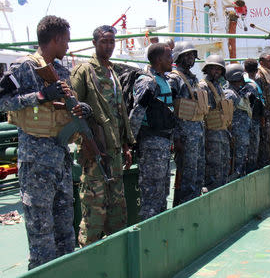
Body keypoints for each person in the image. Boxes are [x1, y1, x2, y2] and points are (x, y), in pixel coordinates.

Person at [0, 15, 78, 269]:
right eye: (66, 40)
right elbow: (3, 102)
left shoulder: (62, 71)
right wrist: (40, 95)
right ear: (55, 39)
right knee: (40, 230)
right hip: (36, 159)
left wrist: (80, 109)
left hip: (61, 157)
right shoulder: (23, 68)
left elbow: (68, 107)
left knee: (65, 227)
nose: (68, 46)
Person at [71, 25, 135, 247]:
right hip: (95, 148)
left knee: (117, 205)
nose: (108, 46)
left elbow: (120, 111)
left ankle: (116, 251)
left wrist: (125, 145)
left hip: (115, 150)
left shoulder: (113, 72)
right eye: (104, 42)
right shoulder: (84, 71)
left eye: (111, 42)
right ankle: (86, 252)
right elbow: (71, 105)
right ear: (94, 43)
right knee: (94, 206)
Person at [129, 43, 174, 219]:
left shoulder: (163, 79)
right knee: (151, 196)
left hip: (163, 143)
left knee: (162, 193)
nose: (172, 60)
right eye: (169, 56)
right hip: (151, 144)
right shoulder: (147, 82)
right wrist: (131, 141)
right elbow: (137, 113)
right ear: (158, 59)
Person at [168, 41, 207, 205]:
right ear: (178, 57)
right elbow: (169, 109)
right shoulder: (174, 78)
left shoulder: (193, 79)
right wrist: (175, 137)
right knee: (186, 176)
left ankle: (193, 205)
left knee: (198, 173)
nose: (191, 58)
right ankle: (183, 207)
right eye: (187, 55)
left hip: (197, 133)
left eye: (192, 55)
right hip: (184, 136)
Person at [199, 54, 233, 191]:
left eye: (219, 69)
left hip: (222, 133)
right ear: (207, 69)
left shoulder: (218, 86)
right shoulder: (203, 86)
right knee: (214, 168)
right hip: (211, 134)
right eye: (213, 69)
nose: (216, 72)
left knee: (224, 166)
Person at [225, 63, 252, 180]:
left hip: (242, 135)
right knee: (236, 165)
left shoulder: (239, 92)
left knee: (241, 164)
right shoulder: (229, 94)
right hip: (236, 136)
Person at [243, 59, 264, 172]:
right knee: (252, 150)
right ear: (256, 71)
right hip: (253, 122)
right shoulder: (253, 85)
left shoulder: (241, 81)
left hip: (243, 123)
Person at [255, 53, 270, 167]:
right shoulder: (260, 76)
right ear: (261, 62)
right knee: (263, 140)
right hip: (263, 115)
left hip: (268, 113)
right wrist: (263, 115)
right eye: (269, 61)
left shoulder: (268, 75)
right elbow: (260, 97)